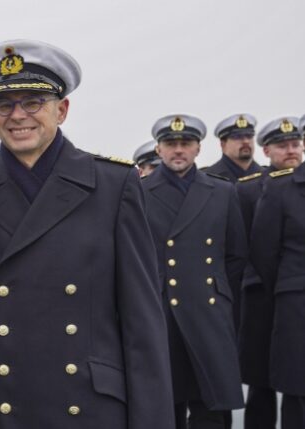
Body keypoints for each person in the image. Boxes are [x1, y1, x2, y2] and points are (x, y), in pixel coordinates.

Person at [0, 39, 173, 428]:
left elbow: (142, 322)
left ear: (62, 110)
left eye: (33, 102)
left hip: (87, 407)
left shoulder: (114, 186)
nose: (18, 116)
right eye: (4, 104)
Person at [141, 114, 247, 428]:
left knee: (211, 406)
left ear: (198, 149)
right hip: (160, 311)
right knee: (164, 405)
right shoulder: (139, 192)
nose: (178, 150)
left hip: (209, 312)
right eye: (170, 144)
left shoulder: (222, 191)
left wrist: (215, 292)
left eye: (185, 144)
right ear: (158, 149)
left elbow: (236, 255)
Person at [236, 116, 304, 429]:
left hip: (289, 291)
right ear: (266, 151)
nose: (290, 150)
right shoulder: (253, 189)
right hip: (267, 294)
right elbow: (259, 247)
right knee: (267, 379)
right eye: (282, 145)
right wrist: (285, 284)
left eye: (295, 143)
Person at [202, 114, 262, 182]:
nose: (246, 141)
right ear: (223, 144)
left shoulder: (267, 177)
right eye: (237, 137)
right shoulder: (207, 178)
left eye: (249, 136)